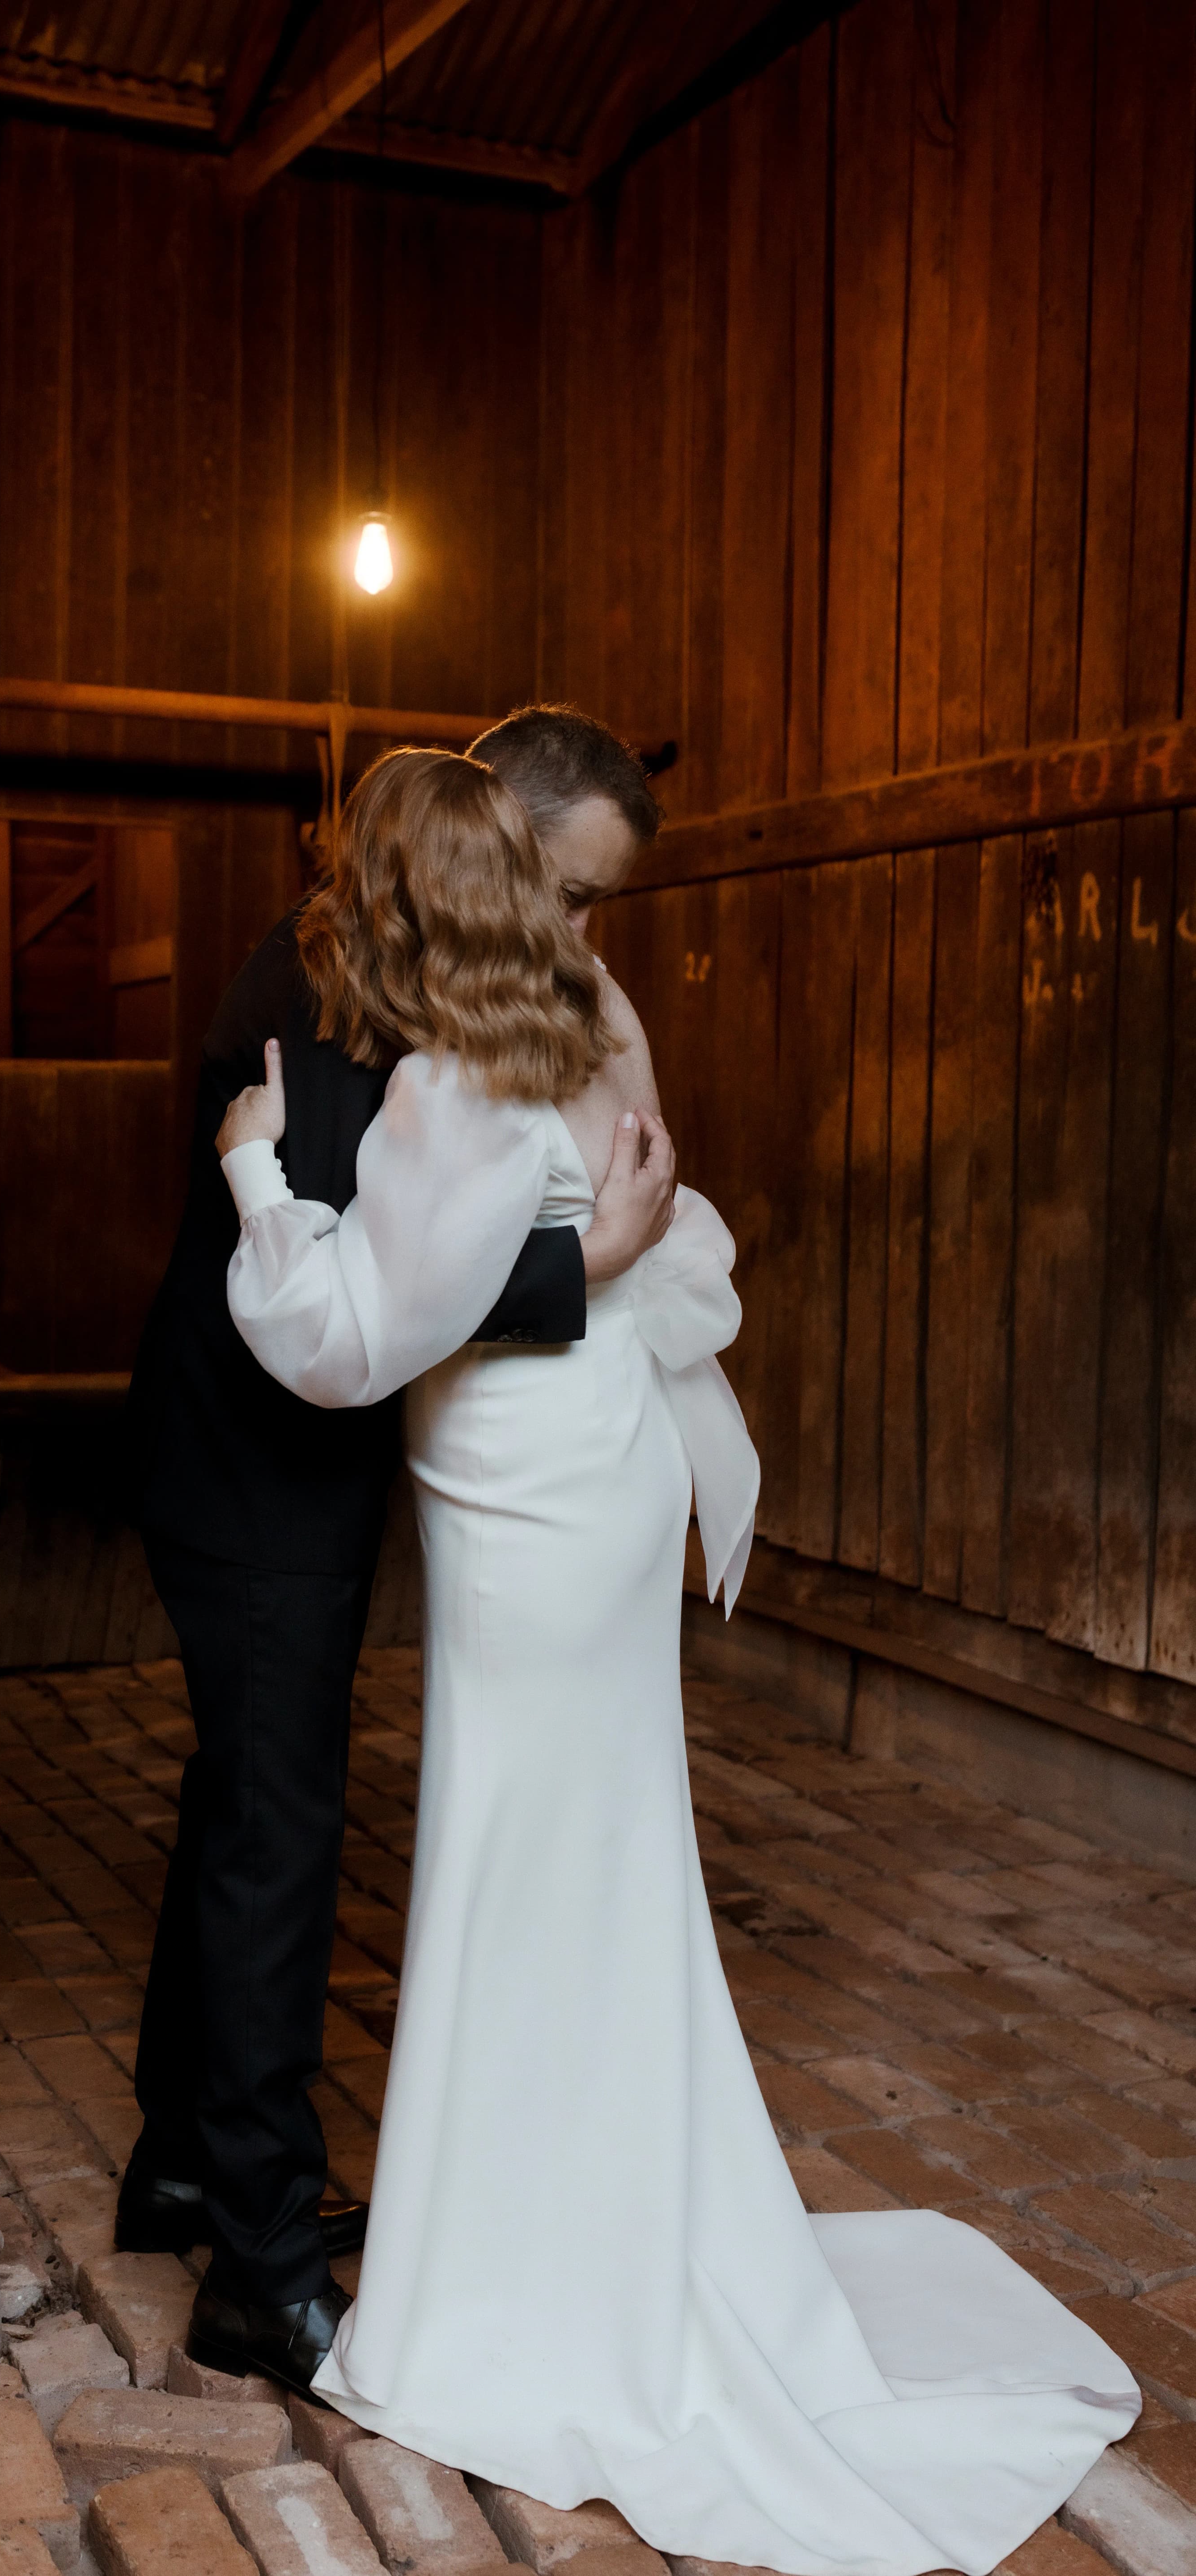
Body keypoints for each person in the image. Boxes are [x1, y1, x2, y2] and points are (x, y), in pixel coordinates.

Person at [210, 744, 1139, 2576]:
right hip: (609, 1476)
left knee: (519, 1859)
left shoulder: (442, 1087)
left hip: (522, 1502)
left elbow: (339, 1341)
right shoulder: (587, 1017)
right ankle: (604, 2222)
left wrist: (258, 1173)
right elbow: (642, 1242)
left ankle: (532, 2276)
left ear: (399, 902)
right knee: (596, 1855)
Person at [125, 708, 670, 2389]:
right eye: (556, 890)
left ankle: (185, 2163)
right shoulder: (312, 996)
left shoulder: (374, 964)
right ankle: (258, 2266)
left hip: (280, 1460)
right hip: (256, 1463)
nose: (563, 930)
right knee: (282, 1835)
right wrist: (586, 1268)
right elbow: (368, 1304)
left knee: (244, 1805)